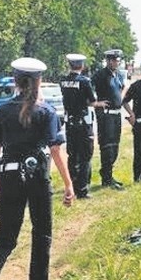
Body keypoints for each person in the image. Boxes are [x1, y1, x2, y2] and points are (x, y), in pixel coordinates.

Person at [0, 57, 74, 280]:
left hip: (9, 176)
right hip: (37, 177)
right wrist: (68, 184)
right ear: (39, 82)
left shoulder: (3, 111)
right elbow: (55, 150)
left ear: (15, 82)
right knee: (42, 234)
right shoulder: (46, 112)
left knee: (6, 237)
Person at [59, 53, 104, 200]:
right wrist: (101, 104)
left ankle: (71, 185)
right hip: (83, 124)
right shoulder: (84, 81)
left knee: (72, 156)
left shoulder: (63, 81)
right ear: (82, 65)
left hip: (70, 123)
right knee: (85, 157)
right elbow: (92, 101)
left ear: (70, 65)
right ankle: (82, 190)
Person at [91, 49, 126, 190]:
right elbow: (88, 90)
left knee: (115, 146)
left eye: (118, 60)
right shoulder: (100, 75)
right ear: (108, 61)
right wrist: (96, 103)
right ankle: (106, 178)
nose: (116, 63)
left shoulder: (118, 75)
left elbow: (122, 88)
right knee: (107, 147)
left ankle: (109, 174)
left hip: (117, 114)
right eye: (114, 60)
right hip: (106, 115)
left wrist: (120, 97)